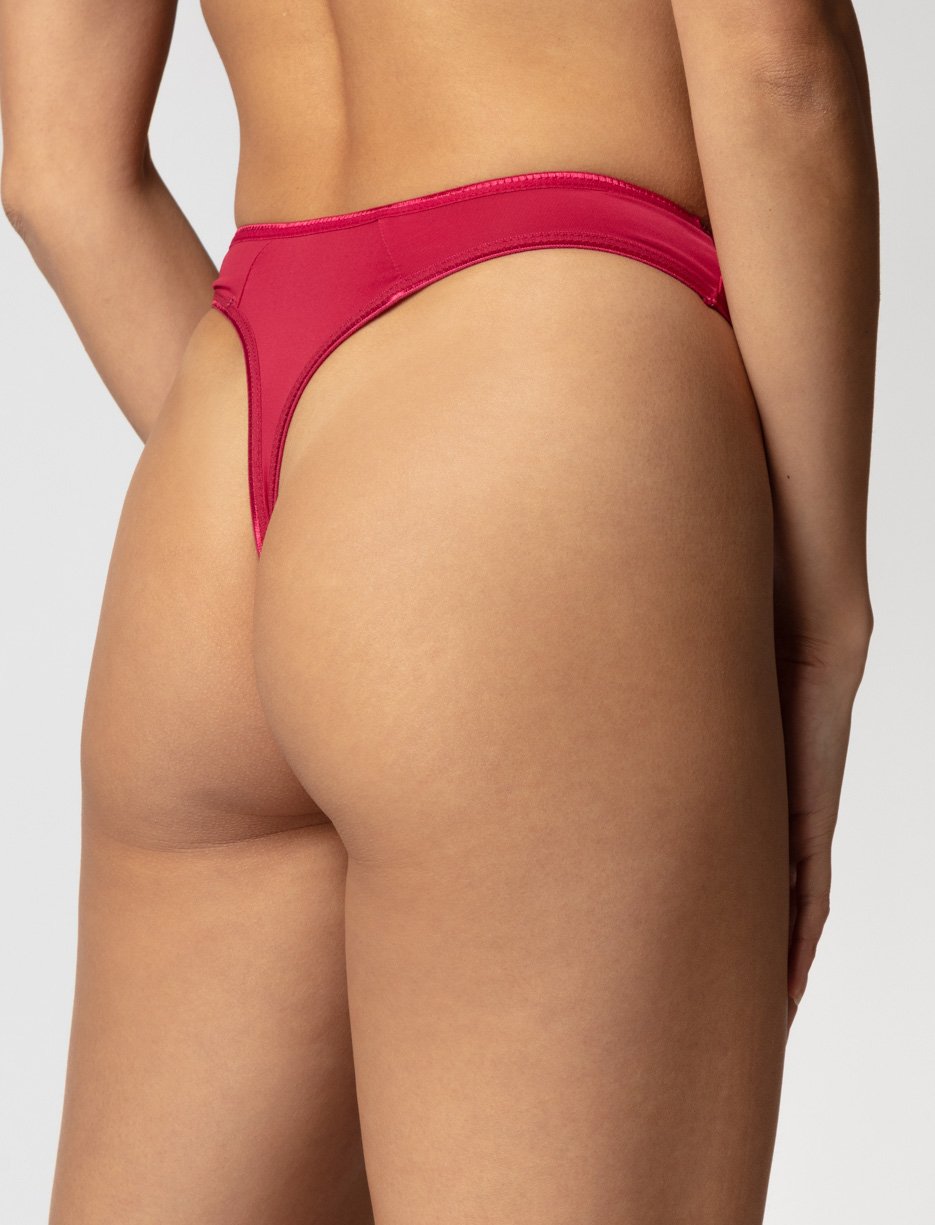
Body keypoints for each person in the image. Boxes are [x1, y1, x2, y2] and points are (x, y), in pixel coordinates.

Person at [0, 1, 878, 1221]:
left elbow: (56, 164)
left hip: (226, 459)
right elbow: (776, 66)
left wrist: (333, 523)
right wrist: (822, 629)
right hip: (533, 388)